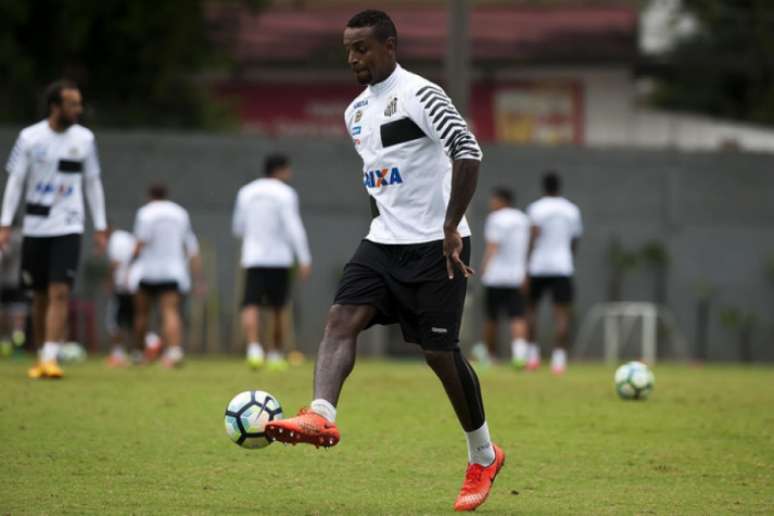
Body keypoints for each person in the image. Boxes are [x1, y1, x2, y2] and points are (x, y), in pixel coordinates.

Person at [264, 10, 504, 512]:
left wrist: (449, 225)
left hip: (439, 245)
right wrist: (382, 226)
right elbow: (379, 180)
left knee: (440, 355)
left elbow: (468, 150)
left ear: (390, 46)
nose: (353, 58)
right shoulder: (354, 114)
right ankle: (320, 414)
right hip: (382, 243)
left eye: (362, 49)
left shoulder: (422, 94)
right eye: (348, 50)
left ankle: (483, 454)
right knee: (339, 320)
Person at [0, 79, 107, 379]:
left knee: (60, 290)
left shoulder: (85, 139)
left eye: (79, 103)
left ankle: (50, 355)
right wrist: (5, 222)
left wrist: (100, 226)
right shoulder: (29, 138)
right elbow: (16, 182)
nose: (78, 109)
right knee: (39, 294)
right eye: (72, 104)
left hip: (69, 225)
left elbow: (92, 182)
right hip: (35, 227)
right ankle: (40, 355)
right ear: (55, 106)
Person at [232, 153, 311, 371]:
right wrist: (304, 257)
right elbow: (294, 227)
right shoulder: (286, 193)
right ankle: (275, 354)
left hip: (253, 257)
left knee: (250, 304)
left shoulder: (246, 192)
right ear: (281, 170)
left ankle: (254, 349)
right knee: (278, 307)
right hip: (280, 258)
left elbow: (238, 227)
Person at [130, 183, 203, 368]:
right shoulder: (180, 213)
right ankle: (174, 351)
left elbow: (139, 244)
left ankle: (139, 353)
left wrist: (129, 265)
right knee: (170, 312)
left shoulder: (145, 213)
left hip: (148, 271)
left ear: (149, 196)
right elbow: (192, 248)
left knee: (142, 314)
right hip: (173, 271)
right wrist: (199, 278)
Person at [525, 171, 583, 374]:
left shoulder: (536, 209)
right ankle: (559, 361)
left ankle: (532, 357)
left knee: (532, 311)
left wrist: (527, 264)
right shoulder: (572, 210)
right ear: (559, 187)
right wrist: (567, 258)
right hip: (562, 266)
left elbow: (532, 239)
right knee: (561, 316)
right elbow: (575, 241)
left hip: (538, 265)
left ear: (544, 187)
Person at [479, 187, 530, 368]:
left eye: (493, 200)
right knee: (518, 316)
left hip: (496, 276)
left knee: (491, 317)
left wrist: (483, 268)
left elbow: (493, 246)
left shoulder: (496, 218)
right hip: (516, 276)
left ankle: (490, 356)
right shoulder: (523, 219)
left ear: (501, 200)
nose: (491, 203)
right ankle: (519, 356)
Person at [104, 223, 136, 367]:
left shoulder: (115, 241)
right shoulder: (126, 238)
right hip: (135, 285)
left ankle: (118, 354)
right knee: (132, 320)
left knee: (114, 321)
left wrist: (109, 281)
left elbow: (115, 263)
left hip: (123, 286)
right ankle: (143, 348)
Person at [0, 221, 28, 357]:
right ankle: (7, 345)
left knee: (18, 317)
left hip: (16, 282)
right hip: (5, 282)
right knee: (5, 316)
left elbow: (7, 254)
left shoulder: (17, 237)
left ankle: (16, 346)